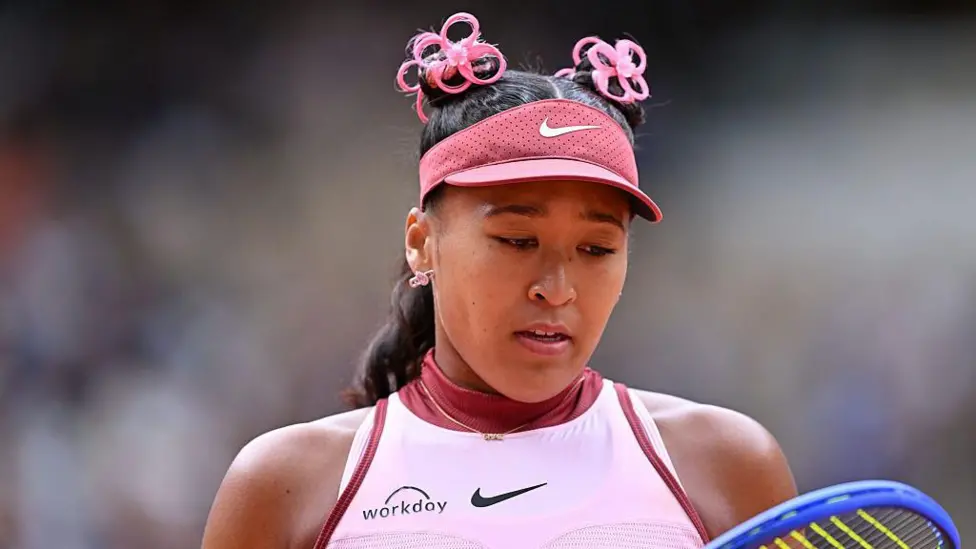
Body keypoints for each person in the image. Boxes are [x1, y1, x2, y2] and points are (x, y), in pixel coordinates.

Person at [201, 12, 797, 549]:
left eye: (596, 248)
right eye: (517, 240)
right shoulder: (287, 488)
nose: (557, 287)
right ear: (421, 242)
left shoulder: (728, 467)